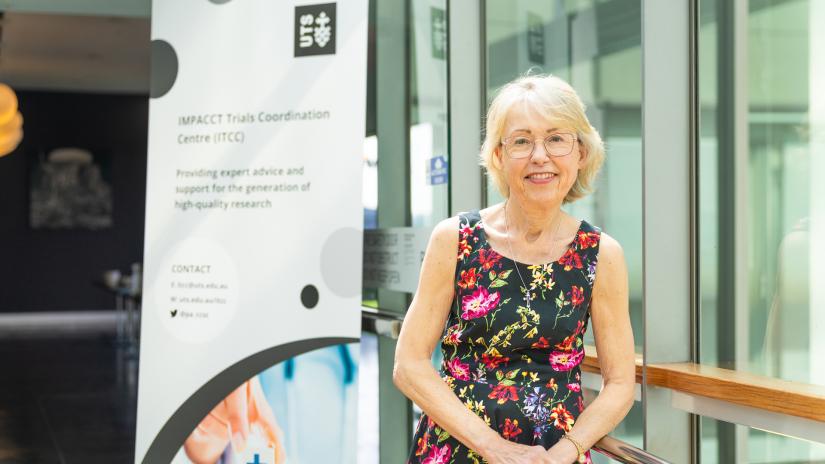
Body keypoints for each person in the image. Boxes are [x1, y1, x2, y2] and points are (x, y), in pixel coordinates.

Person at [394, 74, 636, 464]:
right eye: (522, 141)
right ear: (499, 157)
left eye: (557, 138)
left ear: (581, 154)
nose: (540, 155)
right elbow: (408, 365)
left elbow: (621, 383)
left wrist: (565, 452)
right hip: (457, 449)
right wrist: (495, 448)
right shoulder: (455, 239)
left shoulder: (601, 254)